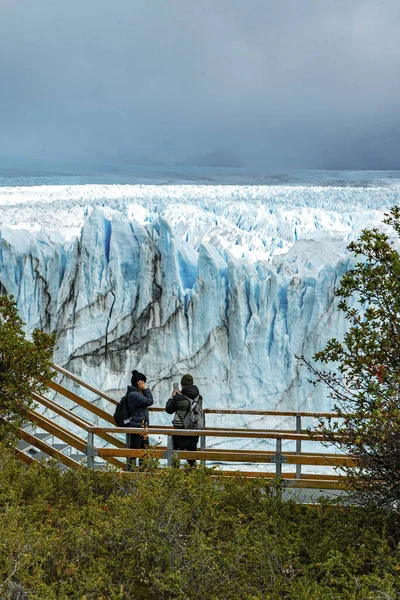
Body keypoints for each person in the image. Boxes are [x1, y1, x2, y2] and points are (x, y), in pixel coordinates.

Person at [165, 373, 203, 466]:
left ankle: (175, 476)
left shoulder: (178, 398)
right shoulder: (199, 397)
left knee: (175, 454)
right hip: (194, 428)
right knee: (191, 456)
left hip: (181, 430)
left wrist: (173, 397)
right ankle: (194, 476)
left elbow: (169, 409)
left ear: (182, 385)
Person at [126, 369, 154, 470]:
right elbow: (150, 401)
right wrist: (145, 389)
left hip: (141, 427)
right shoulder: (134, 395)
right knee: (135, 452)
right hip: (137, 427)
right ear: (139, 383)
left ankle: (143, 472)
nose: (144, 385)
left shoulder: (135, 394)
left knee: (144, 452)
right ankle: (131, 473)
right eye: (143, 383)